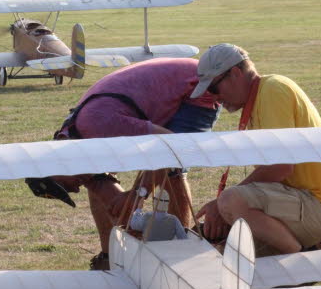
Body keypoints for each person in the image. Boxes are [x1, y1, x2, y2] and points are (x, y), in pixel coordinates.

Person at [28, 57, 219, 270]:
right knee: (109, 182)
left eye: (65, 186)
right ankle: (109, 258)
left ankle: (177, 257)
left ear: (58, 163)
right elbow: (114, 204)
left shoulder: (98, 125)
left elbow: (168, 145)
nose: (76, 188)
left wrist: (139, 193)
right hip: (155, 93)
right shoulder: (74, 150)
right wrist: (124, 211)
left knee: (170, 168)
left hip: (195, 85)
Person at [192, 44, 321, 256]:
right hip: (295, 201)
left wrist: (221, 206)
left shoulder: (273, 90)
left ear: (235, 74)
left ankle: (298, 257)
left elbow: (280, 167)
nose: (215, 98)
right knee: (225, 253)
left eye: (213, 89)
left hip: (317, 206)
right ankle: (299, 247)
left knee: (230, 201)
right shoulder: (258, 100)